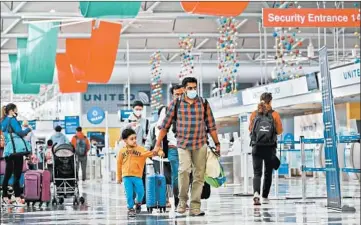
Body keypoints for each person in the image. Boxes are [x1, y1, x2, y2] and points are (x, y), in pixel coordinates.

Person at [155, 77, 220, 216]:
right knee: (183, 171)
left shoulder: (203, 103)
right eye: (190, 88)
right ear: (184, 89)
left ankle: (195, 206)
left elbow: (211, 125)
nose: (192, 90)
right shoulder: (176, 104)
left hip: (200, 143)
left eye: (194, 87)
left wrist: (217, 143)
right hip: (183, 144)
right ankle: (182, 202)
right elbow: (165, 126)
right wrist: (157, 144)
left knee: (199, 175)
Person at [249, 92, 283, 205]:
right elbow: (279, 131)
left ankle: (256, 194)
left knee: (257, 173)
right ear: (271, 101)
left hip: (256, 147)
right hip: (270, 148)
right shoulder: (275, 115)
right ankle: (265, 196)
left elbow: (251, 130)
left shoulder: (254, 114)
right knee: (268, 173)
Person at [117, 129, 157, 217]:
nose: (134, 140)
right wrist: (119, 177)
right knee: (129, 193)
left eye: (135, 138)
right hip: (126, 176)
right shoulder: (122, 151)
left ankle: (138, 203)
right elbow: (119, 164)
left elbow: (150, 153)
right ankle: (130, 208)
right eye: (132, 139)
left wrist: (158, 152)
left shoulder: (140, 149)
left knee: (141, 192)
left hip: (137, 176)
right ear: (125, 141)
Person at [144, 106, 179, 207]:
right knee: (161, 178)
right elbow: (149, 142)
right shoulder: (154, 127)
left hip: (172, 156)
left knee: (174, 179)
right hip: (158, 158)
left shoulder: (175, 125)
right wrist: (147, 153)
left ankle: (177, 198)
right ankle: (165, 199)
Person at [1, 104, 31, 206]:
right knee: (17, 175)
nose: (16, 111)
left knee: (7, 174)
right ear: (12, 111)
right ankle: (18, 197)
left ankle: (5, 196)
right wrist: (28, 129)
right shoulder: (13, 120)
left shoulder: (3, 120)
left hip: (8, 151)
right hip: (17, 151)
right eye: (16, 109)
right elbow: (20, 133)